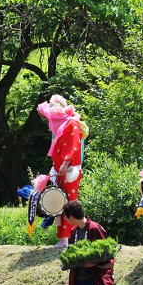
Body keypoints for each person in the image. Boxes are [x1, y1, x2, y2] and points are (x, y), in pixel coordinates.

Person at [37, 95, 88, 248]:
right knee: (61, 203)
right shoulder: (63, 126)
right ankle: (64, 238)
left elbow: (73, 146)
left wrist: (65, 164)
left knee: (70, 203)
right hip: (61, 170)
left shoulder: (72, 124)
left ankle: (73, 237)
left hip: (69, 170)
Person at [62, 200, 114, 285]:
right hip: (78, 280)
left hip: (94, 279)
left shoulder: (94, 228)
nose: (66, 220)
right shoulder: (74, 231)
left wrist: (95, 263)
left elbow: (107, 253)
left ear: (71, 217)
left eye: (66, 217)